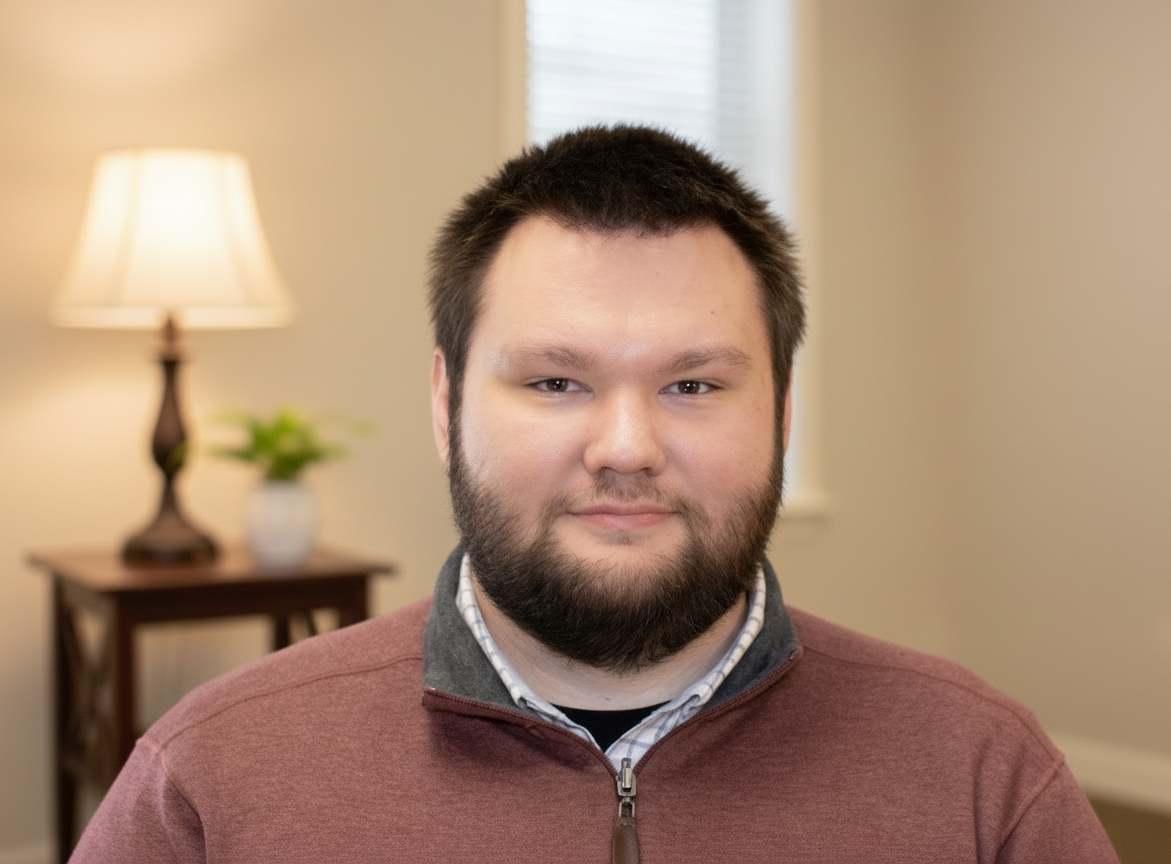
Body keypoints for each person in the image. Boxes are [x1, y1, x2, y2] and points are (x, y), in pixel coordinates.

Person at [70, 125, 1117, 863]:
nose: (626, 447)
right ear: (446, 403)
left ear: (782, 411)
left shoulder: (982, 770)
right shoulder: (211, 773)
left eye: (693, 385)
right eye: (555, 382)